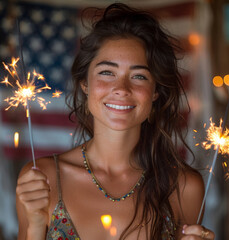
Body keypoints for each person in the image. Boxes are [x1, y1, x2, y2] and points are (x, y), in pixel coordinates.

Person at [16, 3, 215, 240]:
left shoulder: (184, 188)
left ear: (155, 92)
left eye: (139, 76)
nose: (121, 89)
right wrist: (36, 227)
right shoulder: (42, 178)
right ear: (85, 84)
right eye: (107, 73)